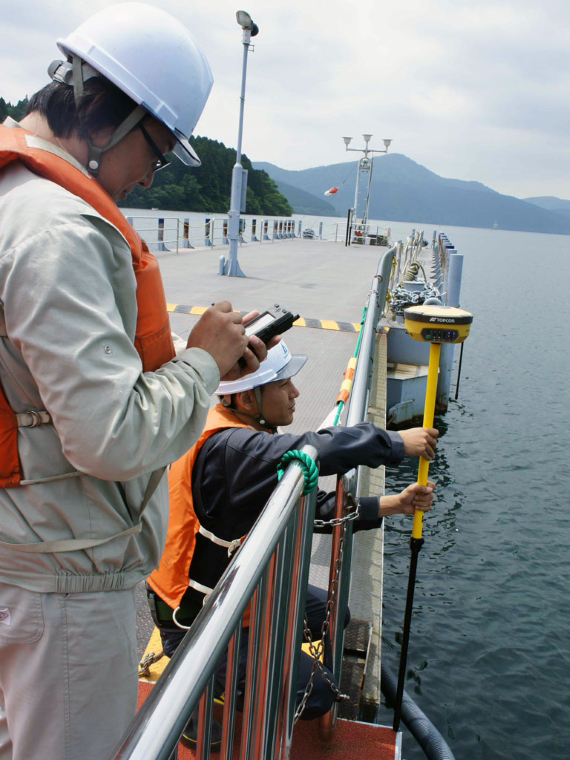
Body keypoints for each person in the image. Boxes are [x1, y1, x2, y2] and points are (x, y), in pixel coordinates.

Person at [0, 5, 271, 760]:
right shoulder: (61, 230)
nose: (152, 172)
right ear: (106, 111)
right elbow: (109, 436)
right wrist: (205, 363)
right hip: (65, 582)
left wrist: (200, 363)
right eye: (156, 148)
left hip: (23, 549)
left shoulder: (12, 197)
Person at [147, 341, 437, 748]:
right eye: (284, 384)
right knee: (315, 692)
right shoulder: (232, 449)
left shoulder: (242, 433)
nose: (296, 393)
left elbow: (309, 505)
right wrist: (393, 442)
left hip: (233, 594)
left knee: (335, 612)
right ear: (250, 397)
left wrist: (392, 505)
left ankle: (250, 663)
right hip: (198, 619)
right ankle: (199, 682)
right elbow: (316, 448)